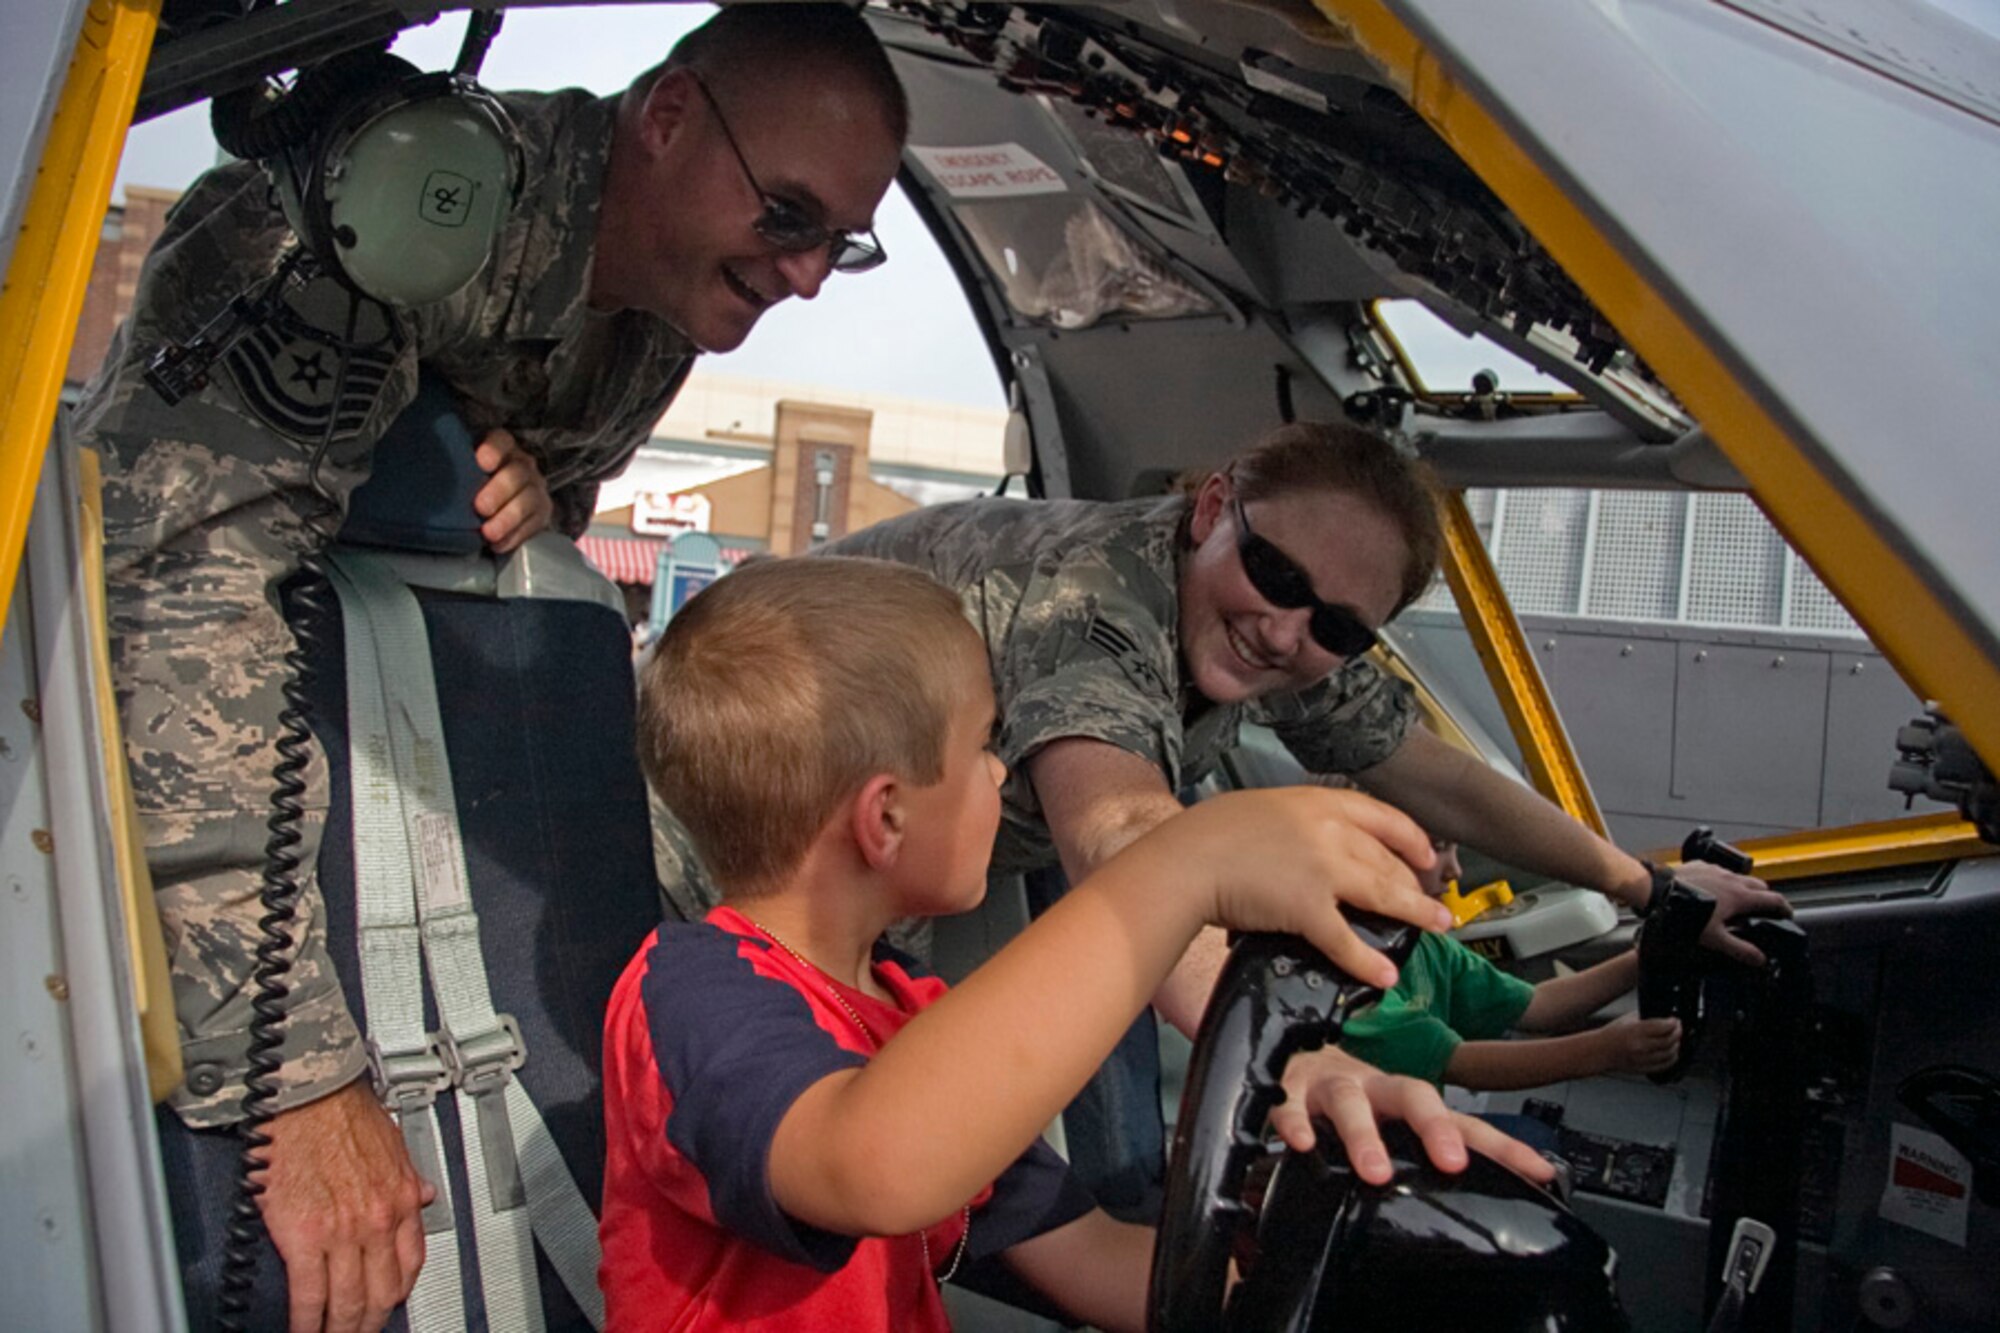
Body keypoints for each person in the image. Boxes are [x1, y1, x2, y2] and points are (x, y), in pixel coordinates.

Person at [74, 7, 907, 1328]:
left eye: (840, 245)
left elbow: (542, 496)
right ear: (673, 117)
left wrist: (536, 492)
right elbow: (173, 614)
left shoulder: (664, 303)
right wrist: (294, 1072)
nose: (804, 277)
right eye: (789, 213)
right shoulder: (391, 215)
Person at [807, 419, 1786, 1203]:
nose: (1283, 631)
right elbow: (1117, 837)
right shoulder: (1095, 603)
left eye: (1335, 625)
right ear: (1213, 508)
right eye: (1274, 577)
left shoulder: (1266, 621)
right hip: (761, 847)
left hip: (892, 863)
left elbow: (1427, 772)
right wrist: (1302, 1067)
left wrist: (1641, 883)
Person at [598, 556, 1555, 1332]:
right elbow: (872, 1165)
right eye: (983, 743)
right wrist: (1182, 866)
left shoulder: (917, 1019)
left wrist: (1336, 1257)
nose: (1002, 767)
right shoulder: (687, 992)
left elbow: (1100, 1261)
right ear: (884, 816)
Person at [1340, 837, 1684, 1091]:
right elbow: (1458, 1063)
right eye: (1438, 846)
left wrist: (1644, 958)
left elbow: (1536, 1006)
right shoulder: (1343, 971)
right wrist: (1604, 1051)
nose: (1455, 870)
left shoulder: (1424, 944)